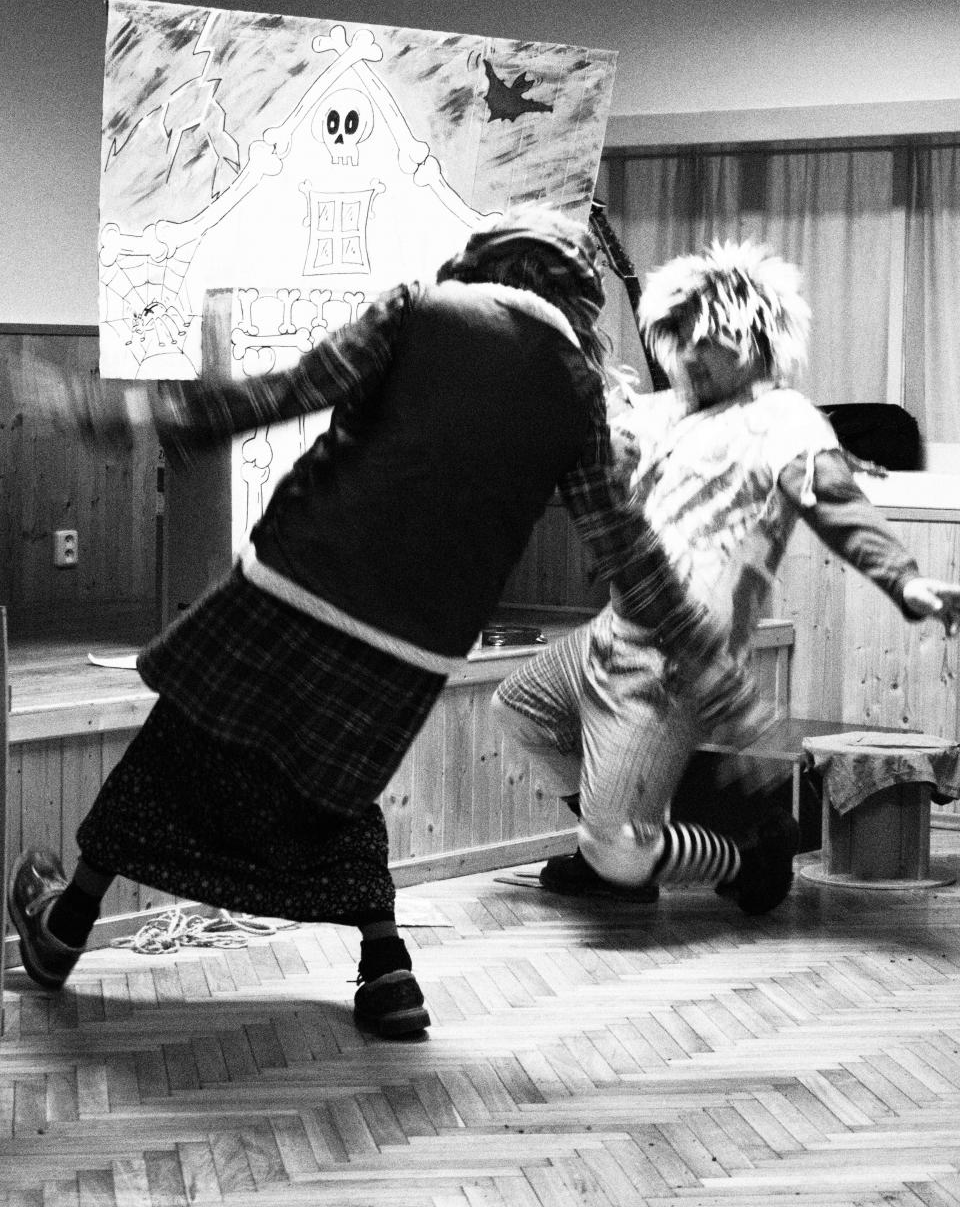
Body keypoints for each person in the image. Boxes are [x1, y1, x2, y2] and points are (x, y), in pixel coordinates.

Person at [8, 206, 751, 1038]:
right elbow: (622, 545)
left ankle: (64, 928)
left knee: (177, 748)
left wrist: (119, 415)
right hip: (409, 648)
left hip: (297, 587)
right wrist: (711, 667)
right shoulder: (578, 388)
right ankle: (387, 970)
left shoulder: (419, 310)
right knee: (338, 791)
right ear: (576, 300)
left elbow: (279, 396)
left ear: (484, 262)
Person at [493, 239, 960, 912]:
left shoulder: (782, 421)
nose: (693, 356)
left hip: (672, 669)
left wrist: (907, 581)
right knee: (519, 710)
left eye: (711, 342)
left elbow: (839, 505)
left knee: (618, 851)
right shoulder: (661, 413)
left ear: (757, 346)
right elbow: (593, 452)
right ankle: (614, 842)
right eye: (682, 339)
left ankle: (741, 862)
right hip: (609, 634)